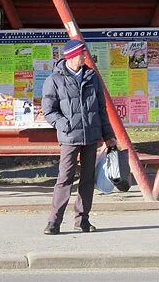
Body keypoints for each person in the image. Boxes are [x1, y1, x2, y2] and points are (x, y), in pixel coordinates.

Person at [40, 39, 117, 235]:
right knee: (64, 179)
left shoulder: (92, 77)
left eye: (85, 54)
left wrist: (108, 136)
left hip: (91, 136)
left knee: (88, 179)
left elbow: (101, 109)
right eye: (82, 54)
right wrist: (64, 124)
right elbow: (49, 110)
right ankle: (54, 222)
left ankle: (82, 220)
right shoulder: (55, 79)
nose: (85, 57)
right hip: (69, 137)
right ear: (72, 56)